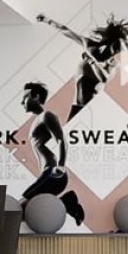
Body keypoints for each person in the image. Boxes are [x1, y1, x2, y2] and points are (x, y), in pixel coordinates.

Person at [36, 13, 128, 120]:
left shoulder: (113, 63)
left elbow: (104, 78)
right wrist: (48, 20)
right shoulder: (89, 44)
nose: (116, 51)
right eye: (116, 47)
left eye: (118, 49)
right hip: (79, 96)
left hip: (89, 95)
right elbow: (66, 31)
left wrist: (92, 62)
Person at [20, 81, 84, 224]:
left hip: (53, 173)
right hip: (46, 173)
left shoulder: (46, 116)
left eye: (25, 97)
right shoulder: (37, 120)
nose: (22, 102)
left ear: (36, 97)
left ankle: (67, 202)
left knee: (21, 207)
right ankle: (67, 202)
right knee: (26, 209)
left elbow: (62, 140)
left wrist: (61, 166)